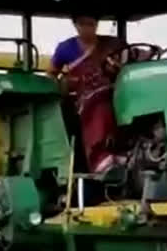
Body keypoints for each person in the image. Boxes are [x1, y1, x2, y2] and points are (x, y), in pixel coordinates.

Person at [48, 13, 126, 174]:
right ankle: (100, 157)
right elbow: (51, 74)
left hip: (115, 87)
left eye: (91, 24)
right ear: (76, 26)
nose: (87, 28)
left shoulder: (112, 44)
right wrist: (64, 84)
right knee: (99, 103)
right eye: (83, 24)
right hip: (83, 95)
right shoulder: (66, 48)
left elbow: (127, 58)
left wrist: (116, 66)